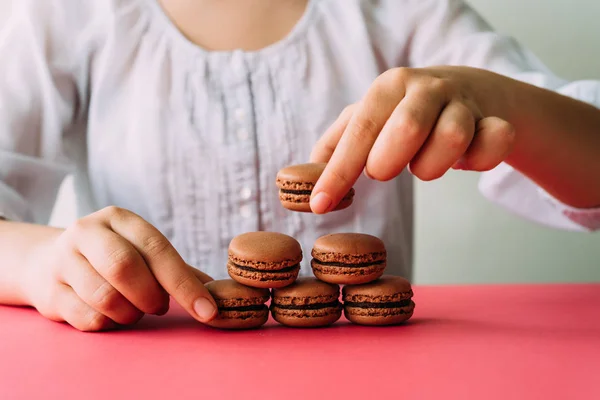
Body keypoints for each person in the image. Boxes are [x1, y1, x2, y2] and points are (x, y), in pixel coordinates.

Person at [0, 0, 599, 331]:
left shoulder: (405, 12)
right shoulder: (65, 14)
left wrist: (500, 97)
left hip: (372, 378)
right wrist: (33, 260)